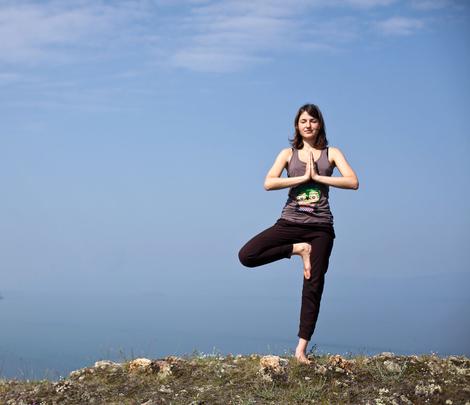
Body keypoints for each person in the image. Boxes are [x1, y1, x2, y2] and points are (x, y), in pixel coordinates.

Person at [238, 103, 359, 364]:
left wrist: (320, 177)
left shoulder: (332, 153)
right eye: (303, 121)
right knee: (247, 255)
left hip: (320, 228)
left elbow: (353, 181)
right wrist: (302, 178)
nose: (308, 125)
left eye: (313, 121)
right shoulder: (287, 154)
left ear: (320, 125)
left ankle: (301, 349)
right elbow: (269, 183)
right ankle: (298, 249)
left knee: (313, 285)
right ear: (297, 125)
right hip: (290, 222)